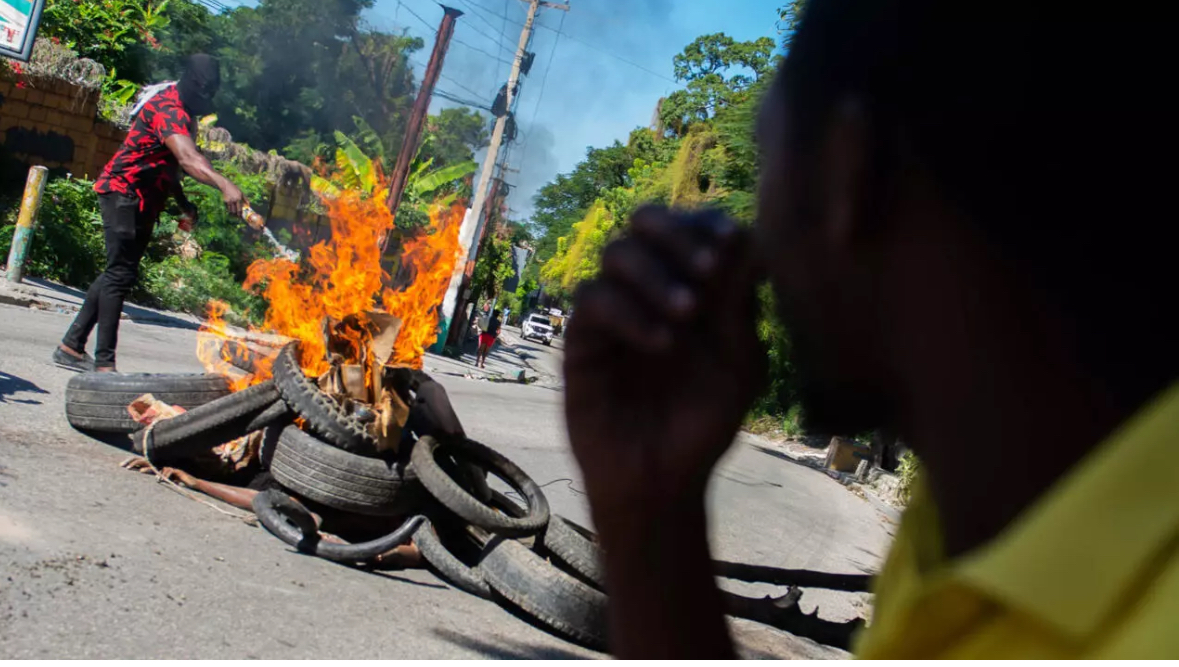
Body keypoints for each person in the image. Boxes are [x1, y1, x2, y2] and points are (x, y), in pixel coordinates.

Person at [563, 0, 1175, 659]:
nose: (753, 236)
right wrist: (653, 522)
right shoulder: (958, 525)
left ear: (845, 173)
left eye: (770, 162)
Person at [54, 54, 247, 372]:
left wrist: (182, 203)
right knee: (120, 274)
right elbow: (187, 158)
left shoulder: (185, 112)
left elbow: (169, 165)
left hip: (143, 199)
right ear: (189, 84)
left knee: (119, 271)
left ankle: (71, 346)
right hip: (122, 192)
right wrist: (224, 184)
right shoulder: (167, 108)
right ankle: (105, 366)